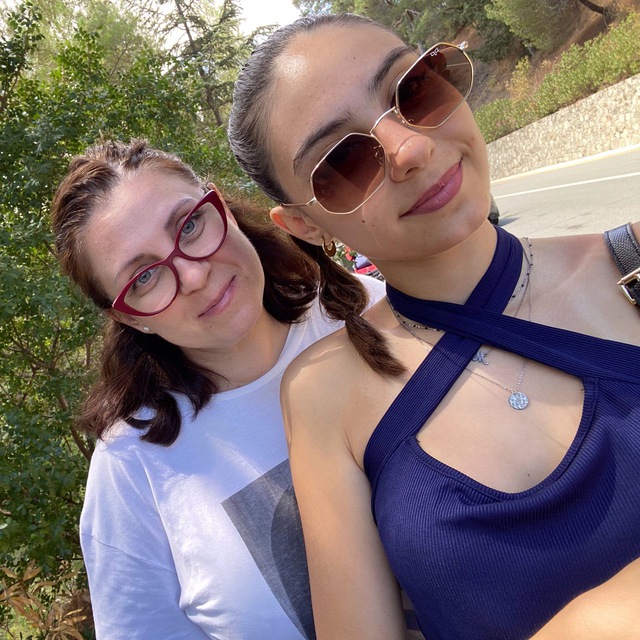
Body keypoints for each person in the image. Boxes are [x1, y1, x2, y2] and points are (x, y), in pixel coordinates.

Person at [227, 13, 640, 640]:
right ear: (306, 226)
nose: (410, 148)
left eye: (413, 88)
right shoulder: (324, 395)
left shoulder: (630, 265)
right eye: (343, 162)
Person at [50, 139, 389, 639]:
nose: (192, 274)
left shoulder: (366, 314)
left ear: (222, 208)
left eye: (189, 225)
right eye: (145, 277)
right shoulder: (131, 468)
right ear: (129, 317)